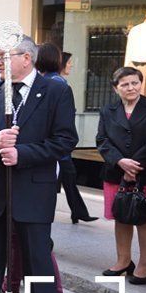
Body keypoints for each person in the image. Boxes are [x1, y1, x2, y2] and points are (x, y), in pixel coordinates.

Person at [0, 36, 78, 293]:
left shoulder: (55, 91)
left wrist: (23, 154)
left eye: (4, 56)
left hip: (33, 189)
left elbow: (65, 139)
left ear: (27, 58)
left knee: (37, 259)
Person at [96, 66, 146, 285]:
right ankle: (123, 261)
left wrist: (134, 166)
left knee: (145, 219)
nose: (131, 88)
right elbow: (102, 140)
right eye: (125, 84)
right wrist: (120, 161)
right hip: (115, 172)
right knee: (122, 216)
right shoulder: (108, 110)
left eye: (135, 83)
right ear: (116, 88)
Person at [35, 43, 96, 224]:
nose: (70, 66)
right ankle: (77, 212)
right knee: (63, 178)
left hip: (54, 143)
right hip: (55, 144)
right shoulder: (57, 84)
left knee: (67, 177)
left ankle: (78, 211)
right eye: (67, 63)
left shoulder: (50, 82)